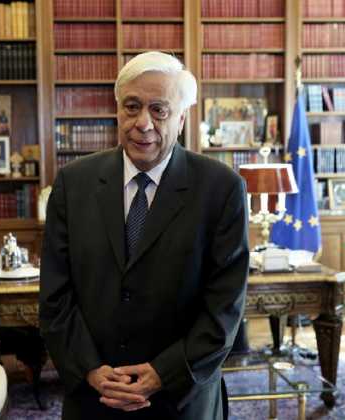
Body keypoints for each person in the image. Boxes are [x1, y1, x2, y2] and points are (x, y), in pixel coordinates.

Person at [39, 51, 249, 420]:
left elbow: (225, 306)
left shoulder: (221, 188)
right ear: (117, 110)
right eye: (132, 107)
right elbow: (55, 294)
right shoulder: (73, 184)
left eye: (159, 110)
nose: (143, 123)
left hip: (181, 398)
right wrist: (91, 369)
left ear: (181, 118)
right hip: (95, 397)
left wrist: (163, 373)